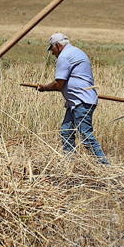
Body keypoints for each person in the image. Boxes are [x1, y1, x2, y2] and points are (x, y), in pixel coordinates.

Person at [35, 32, 109, 164]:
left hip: (81, 101)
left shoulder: (64, 56)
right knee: (66, 132)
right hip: (76, 102)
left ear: (57, 45)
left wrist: (44, 87)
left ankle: (106, 166)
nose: (53, 53)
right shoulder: (76, 51)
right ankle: (70, 164)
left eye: (52, 49)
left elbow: (59, 84)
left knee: (85, 136)